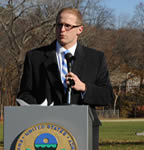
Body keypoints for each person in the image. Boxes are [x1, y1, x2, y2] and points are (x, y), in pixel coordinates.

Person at [17, 7, 113, 150]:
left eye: (67, 26)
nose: (62, 29)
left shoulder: (96, 58)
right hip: (45, 131)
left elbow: (107, 96)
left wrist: (84, 88)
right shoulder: (35, 57)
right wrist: (39, 109)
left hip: (84, 130)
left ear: (79, 29)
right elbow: (24, 94)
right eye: (59, 25)